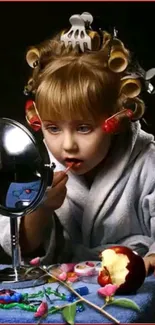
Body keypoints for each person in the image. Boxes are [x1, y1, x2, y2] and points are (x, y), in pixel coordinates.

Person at [0, 12, 155, 275]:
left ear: (114, 122)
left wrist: (140, 267)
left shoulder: (147, 161)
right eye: (52, 128)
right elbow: (20, 247)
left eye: (84, 128)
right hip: (66, 285)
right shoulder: (38, 165)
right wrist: (42, 206)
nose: (67, 145)